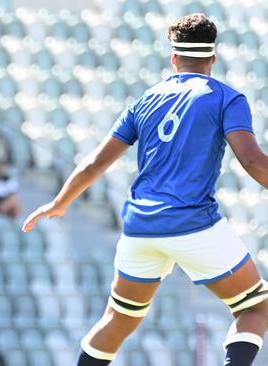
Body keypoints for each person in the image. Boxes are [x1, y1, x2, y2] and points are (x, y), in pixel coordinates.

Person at [23, 14, 268, 366]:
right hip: (192, 223)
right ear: (213, 57)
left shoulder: (146, 100)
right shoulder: (226, 98)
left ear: (173, 58)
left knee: (119, 319)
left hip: (140, 228)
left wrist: (59, 203)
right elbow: (253, 161)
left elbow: (95, 162)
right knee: (255, 307)